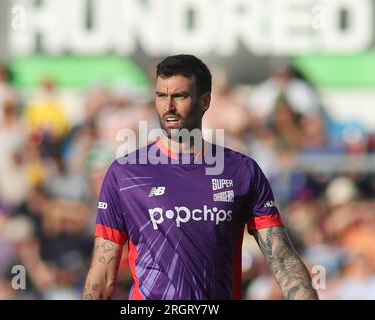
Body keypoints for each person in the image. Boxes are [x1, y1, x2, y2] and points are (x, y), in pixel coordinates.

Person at [82, 54, 318, 300]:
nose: (169, 107)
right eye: (161, 96)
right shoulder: (125, 173)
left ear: (205, 101)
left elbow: (280, 257)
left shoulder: (242, 171)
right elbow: (103, 272)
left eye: (180, 96)